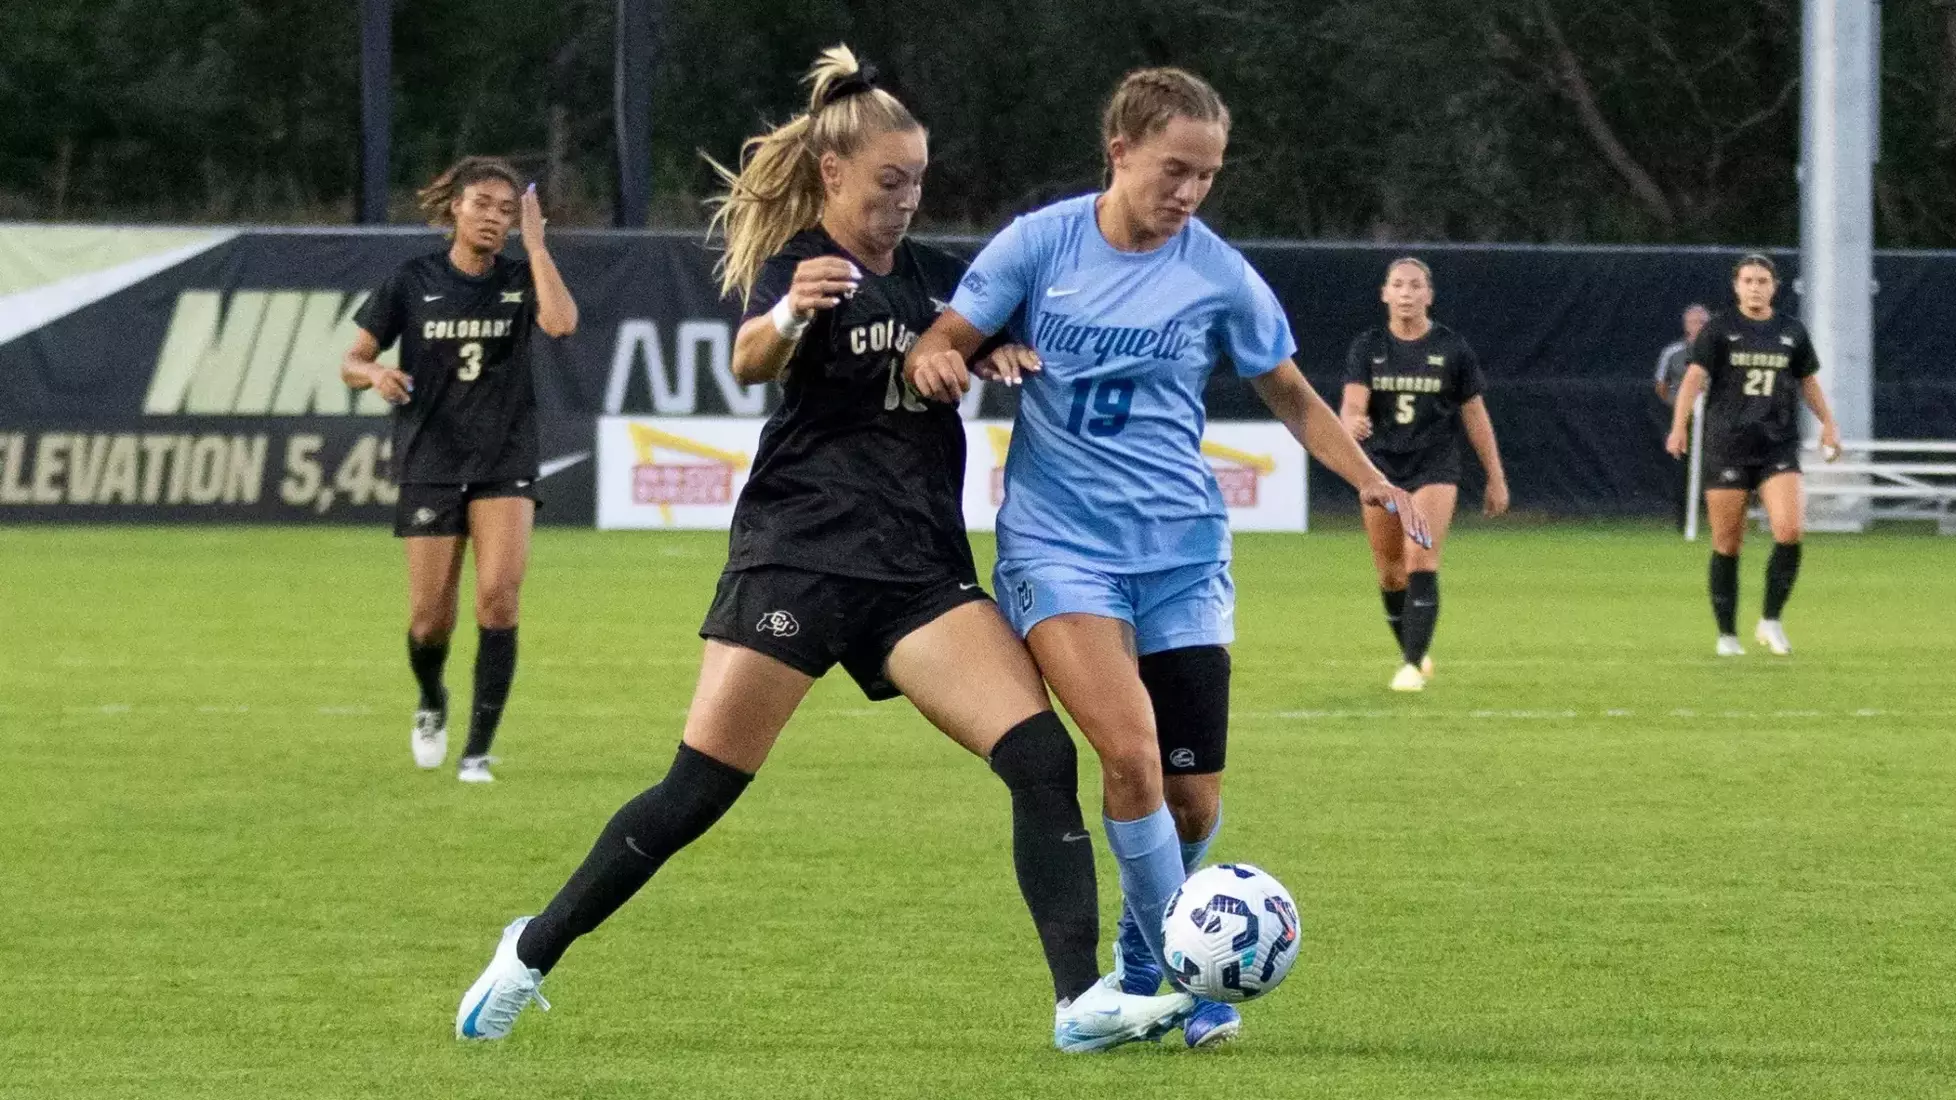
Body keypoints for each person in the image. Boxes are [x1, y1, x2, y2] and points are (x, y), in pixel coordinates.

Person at [454, 47, 1192, 1054]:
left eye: (917, 183)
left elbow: (977, 331)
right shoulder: (806, 265)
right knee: (696, 792)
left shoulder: (938, 277)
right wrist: (793, 310)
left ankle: (1077, 1001)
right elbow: (750, 355)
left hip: (917, 573)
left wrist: (998, 347)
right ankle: (530, 949)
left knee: (1038, 753)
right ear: (834, 174)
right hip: (798, 555)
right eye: (888, 182)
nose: (903, 200)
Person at [906, 66, 1428, 1049]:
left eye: (1209, 176)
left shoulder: (1216, 271)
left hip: (1184, 554)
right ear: (1120, 151)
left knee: (1191, 797)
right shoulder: (1040, 245)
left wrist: (1367, 478)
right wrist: (946, 357)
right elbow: (944, 335)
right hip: (1060, 552)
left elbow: (1290, 391)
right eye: (1174, 169)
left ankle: (1144, 964)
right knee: (1131, 753)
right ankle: (1200, 984)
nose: (1189, 192)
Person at [341, 157, 579, 782]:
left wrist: (537, 247)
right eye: (483, 204)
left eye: (507, 209)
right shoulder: (411, 280)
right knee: (429, 619)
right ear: (454, 206)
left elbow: (560, 323)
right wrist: (375, 374)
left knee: (499, 598)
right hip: (431, 459)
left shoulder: (520, 277)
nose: (494, 218)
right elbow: (352, 360)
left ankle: (477, 749)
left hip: (505, 459)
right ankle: (431, 701)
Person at [1339, 257, 1509, 692]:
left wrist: (1495, 475)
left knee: (1420, 558)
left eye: (1416, 286)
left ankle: (1412, 666)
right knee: (1390, 572)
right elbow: (1352, 407)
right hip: (1380, 470)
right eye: (1398, 285)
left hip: (1434, 466)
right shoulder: (1368, 346)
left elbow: (1475, 415)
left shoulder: (1452, 349)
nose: (1407, 293)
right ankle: (1414, 652)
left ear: (1429, 295)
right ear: (1385, 293)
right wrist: (1352, 423)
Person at [1666, 254, 1841, 656]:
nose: (1755, 287)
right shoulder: (1719, 329)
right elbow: (1693, 379)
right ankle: (1727, 635)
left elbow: (1807, 381)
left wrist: (1829, 423)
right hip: (1728, 445)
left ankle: (1770, 620)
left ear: (1774, 286)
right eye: (1748, 280)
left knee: (1790, 531)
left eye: (1763, 280)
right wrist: (1679, 426)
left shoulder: (1791, 331)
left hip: (1776, 444)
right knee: (1728, 543)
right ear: (1736, 286)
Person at [1655, 303, 1711, 529]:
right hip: (1683, 419)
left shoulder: (1719, 352)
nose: (1697, 327)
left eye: (1702, 322)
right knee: (1681, 468)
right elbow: (1661, 384)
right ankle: (1682, 518)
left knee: (1712, 466)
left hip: (1712, 417)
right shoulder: (1673, 352)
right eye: (1693, 322)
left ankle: (1712, 517)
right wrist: (1678, 405)